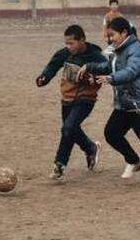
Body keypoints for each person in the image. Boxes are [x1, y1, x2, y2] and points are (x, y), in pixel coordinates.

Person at [77, 17, 140, 189]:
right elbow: (109, 66)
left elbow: (131, 71)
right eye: (108, 36)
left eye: (113, 35)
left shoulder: (136, 49)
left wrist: (111, 79)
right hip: (126, 103)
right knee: (111, 133)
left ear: (124, 33)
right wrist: (89, 67)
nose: (110, 39)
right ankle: (134, 160)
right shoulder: (117, 50)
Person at [36, 25, 107, 181]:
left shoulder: (96, 55)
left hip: (85, 100)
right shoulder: (65, 54)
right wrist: (44, 77)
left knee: (68, 128)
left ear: (82, 40)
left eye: (71, 43)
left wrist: (92, 79)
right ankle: (91, 148)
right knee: (70, 130)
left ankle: (59, 164)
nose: (68, 47)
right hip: (67, 99)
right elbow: (52, 66)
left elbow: (107, 70)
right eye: (66, 43)